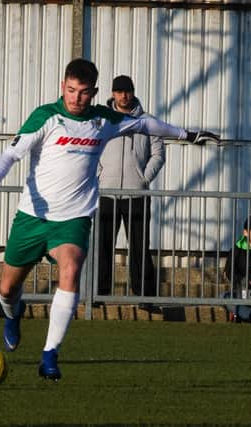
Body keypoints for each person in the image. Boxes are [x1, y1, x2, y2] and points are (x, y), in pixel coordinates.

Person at [0, 58, 219, 381]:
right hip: (32, 217)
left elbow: (146, 124)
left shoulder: (104, 121)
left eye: (83, 93)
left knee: (72, 269)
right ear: (63, 87)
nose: (76, 98)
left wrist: (187, 134)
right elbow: (11, 153)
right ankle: (13, 313)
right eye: (71, 90)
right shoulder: (46, 117)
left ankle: (50, 354)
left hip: (74, 219)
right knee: (8, 288)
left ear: (93, 93)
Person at [97, 75, 164, 309]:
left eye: (127, 91)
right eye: (119, 91)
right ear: (113, 93)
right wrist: (99, 176)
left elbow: (158, 154)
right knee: (102, 245)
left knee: (139, 247)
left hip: (138, 194)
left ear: (133, 92)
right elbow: (90, 149)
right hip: (106, 193)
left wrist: (144, 178)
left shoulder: (148, 121)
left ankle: (145, 297)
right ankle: (98, 294)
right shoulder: (102, 121)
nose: (123, 96)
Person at [224, 214, 251, 322]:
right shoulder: (236, 250)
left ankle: (250, 315)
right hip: (241, 292)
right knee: (223, 297)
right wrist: (248, 277)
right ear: (246, 232)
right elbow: (229, 272)